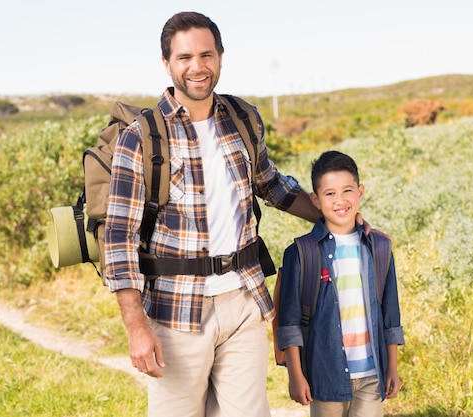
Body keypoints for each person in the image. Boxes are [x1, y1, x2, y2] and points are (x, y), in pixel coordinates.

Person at [103, 11, 322, 417]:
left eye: (206, 54)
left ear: (220, 57)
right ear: (167, 64)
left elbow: (271, 184)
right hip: (174, 311)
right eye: (184, 57)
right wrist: (136, 327)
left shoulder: (243, 118)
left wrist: (332, 214)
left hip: (243, 300)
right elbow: (119, 238)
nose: (197, 67)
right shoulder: (142, 136)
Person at [275, 150, 405, 417]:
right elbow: (290, 322)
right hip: (324, 376)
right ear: (315, 199)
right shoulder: (301, 253)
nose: (340, 200)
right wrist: (296, 375)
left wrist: (392, 366)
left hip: (371, 375)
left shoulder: (379, 248)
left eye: (347, 190)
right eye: (330, 194)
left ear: (360, 192)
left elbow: (390, 315)